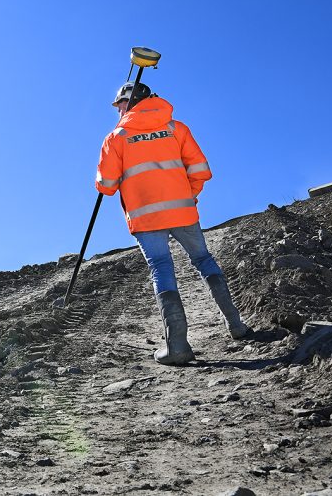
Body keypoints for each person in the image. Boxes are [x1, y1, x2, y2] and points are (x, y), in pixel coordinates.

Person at [95, 82, 250, 365]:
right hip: (183, 211)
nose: (117, 110)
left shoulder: (115, 138)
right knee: (203, 259)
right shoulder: (176, 128)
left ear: (130, 103)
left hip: (146, 217)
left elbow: (105, 186)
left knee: (162, 269)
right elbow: (201, 170)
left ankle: (177, 346)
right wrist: (187, 195)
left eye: (119, 105)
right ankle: (237, 326)